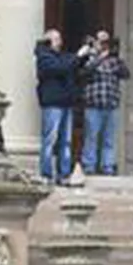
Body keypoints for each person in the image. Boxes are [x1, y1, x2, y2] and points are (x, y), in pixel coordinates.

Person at [35, 29, 88, 184]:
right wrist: (78, 56)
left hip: (66, 103)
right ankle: (46, 174)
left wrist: (85, 57)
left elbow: (74, 66)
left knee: (66, 142)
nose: (60, 41)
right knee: (50, 140)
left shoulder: (62, 56)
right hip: (52, 103)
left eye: (60, 38)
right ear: (48, 41)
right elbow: (60, 68)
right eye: (56, 39)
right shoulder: (44, 57)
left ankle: (63, 174)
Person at [81, 33, 130, 176]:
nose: (104, 45)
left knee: (109, 139)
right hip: (93, 105)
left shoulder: (114, 60)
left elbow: (126, 74)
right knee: (91, 137)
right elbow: (84, 73)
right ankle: (89, 166)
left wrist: (116, 57)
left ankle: (107, 166)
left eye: (106, 42)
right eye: (101, 42)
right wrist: (99, 57)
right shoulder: (88, 58)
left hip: (111, 105)